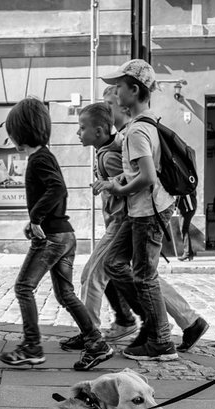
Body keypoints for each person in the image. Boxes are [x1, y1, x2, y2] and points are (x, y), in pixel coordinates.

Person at [0, 97, 114, 371]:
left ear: (19, 134)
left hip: (51, 237)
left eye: (12, 132)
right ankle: (96, 342)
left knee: (23, 287)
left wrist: (35, 218)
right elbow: (56, 190)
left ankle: (31, 346)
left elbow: (58, 189)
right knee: (65, 294)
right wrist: (34, 219)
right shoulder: (44, 156)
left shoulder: (39, 159)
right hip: (65, 235)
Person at [97, 74, 209, 356]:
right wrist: (116, 181)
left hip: (147, 212)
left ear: (133, 91)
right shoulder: (144, 125)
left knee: (144, 276)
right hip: (144, 210)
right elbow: (146, 171)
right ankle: (156, 325)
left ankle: (159, 339)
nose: (115, 95)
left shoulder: (136, 131)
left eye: (119, 88)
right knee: (114, 263)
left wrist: (118, 189)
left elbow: (146, 177)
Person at [70, 100, 140, 348]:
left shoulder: (109, 155)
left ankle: (91, 332)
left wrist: (110, 187)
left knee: (92, 276)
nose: (78, 133)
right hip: (122, 223)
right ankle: (189, 320)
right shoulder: (109, 150)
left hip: (121, 223)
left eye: (81, 128)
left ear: (98, 132)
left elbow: (128, 189)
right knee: (140, 279)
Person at [176, 194, 196, 261]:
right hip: (184, 208)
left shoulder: (185, 185)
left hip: (187, 209)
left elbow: (183, 194)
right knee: (184, 230)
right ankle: (189, 253)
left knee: (184, 229)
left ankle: (187, 253)